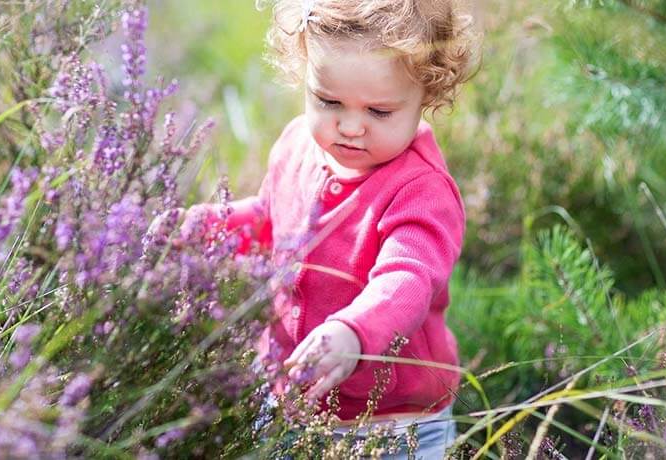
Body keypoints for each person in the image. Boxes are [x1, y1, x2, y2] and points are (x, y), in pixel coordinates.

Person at [184, 0, 476, 457]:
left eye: (379, 112)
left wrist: (355, 333)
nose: (350, 126)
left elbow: (409, 278)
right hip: (291, 397)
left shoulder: (421, 191)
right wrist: (213, 227)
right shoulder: (298, 144)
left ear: (428, 96)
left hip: (394, 422)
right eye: (328, 101)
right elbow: (272, 221)